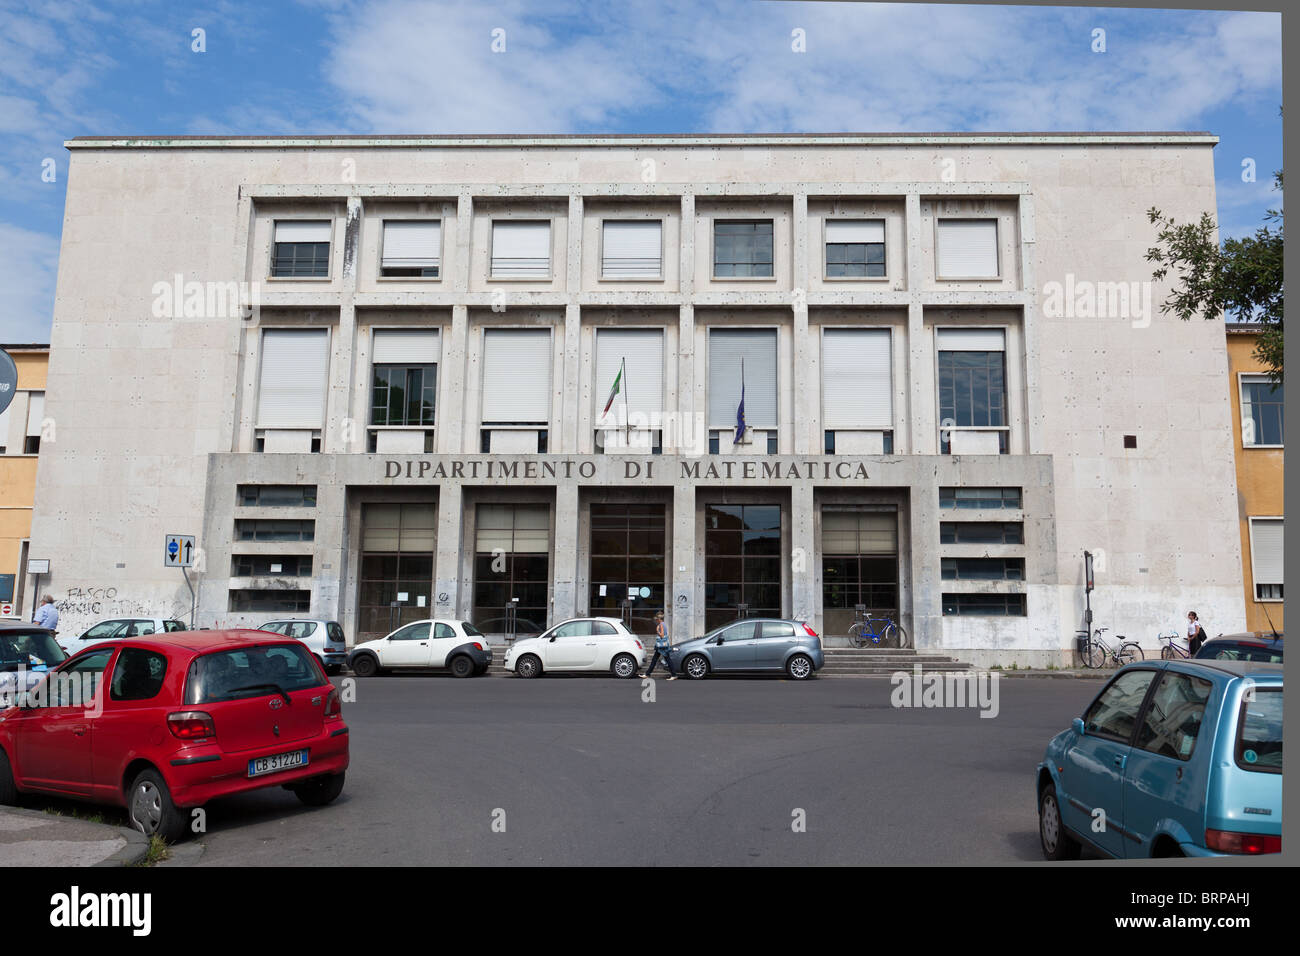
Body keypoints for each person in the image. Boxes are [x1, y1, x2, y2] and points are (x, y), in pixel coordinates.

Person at [643, 611, 677, 679]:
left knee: (666, 660)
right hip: (661, 646)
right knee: (655, 659)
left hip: (662, 646)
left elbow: (662, 635)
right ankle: (647, 673)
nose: (656, 620)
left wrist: (657, 630)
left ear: (659, 619)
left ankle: (674, 675)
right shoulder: (663, 624)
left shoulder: (661, 625)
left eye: (657, 619)